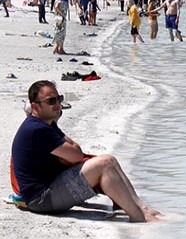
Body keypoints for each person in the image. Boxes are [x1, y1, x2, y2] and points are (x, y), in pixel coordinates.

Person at [11, 80, 161, 222]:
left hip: (47, 190)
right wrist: (67, 140)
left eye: (59, 99)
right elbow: (76, 155)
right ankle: (138, 217)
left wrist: (59, 131)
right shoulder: (37, 129)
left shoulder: (45, 125)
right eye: (51, 101)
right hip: (41, 199)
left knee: (110, 160)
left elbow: (74, 152)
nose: (58, 104)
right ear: (35, 107)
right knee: (104, 163)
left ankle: (142, 208)